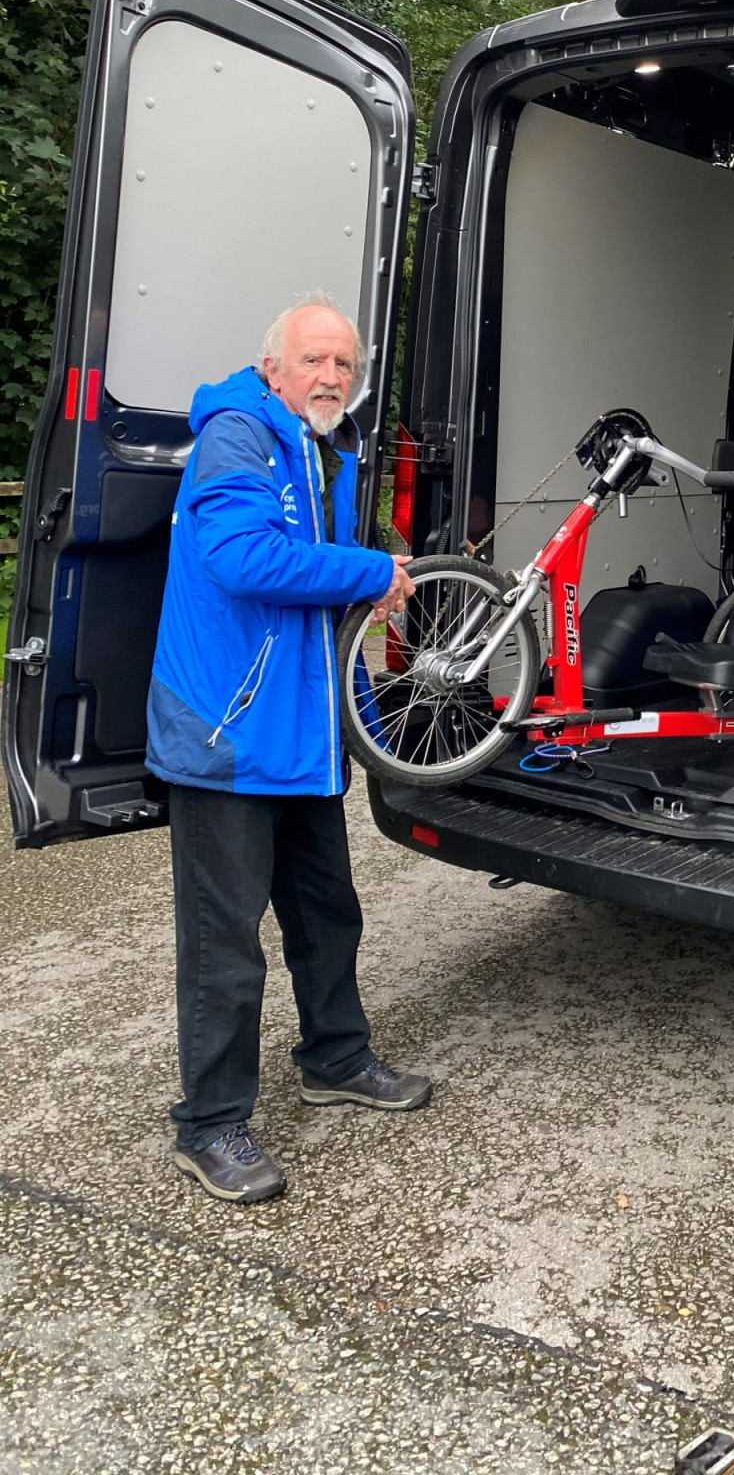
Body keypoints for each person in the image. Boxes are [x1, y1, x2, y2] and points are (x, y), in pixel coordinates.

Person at [147, 294, 426, 1204]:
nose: (332, 378)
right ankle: (211, 1124)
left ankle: (336, 1059)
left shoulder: (324, 449)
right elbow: (241, 559)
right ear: (274, 368)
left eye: (344, 364)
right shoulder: (240, 435)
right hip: (227, 735)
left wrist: (376, 568)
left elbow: (326, 556)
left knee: (325, 913)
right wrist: (367, 571)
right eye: (315, 361)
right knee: (225, 942)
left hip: (298, 733)